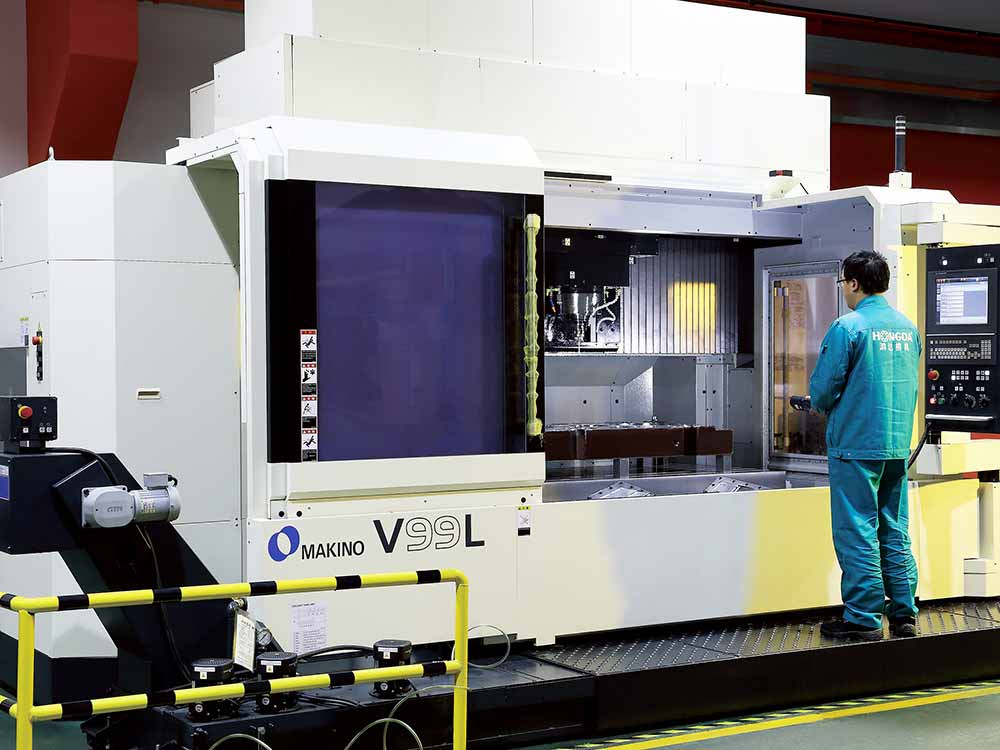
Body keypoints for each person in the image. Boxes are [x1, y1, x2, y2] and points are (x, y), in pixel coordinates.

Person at [809, 251, 920, 641]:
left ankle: (863, 617)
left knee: (857, 530)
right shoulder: (907, 328)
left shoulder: (848, 327)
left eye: (844, 283)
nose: (844, 290)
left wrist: (818, 404)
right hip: (896, 445)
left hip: (855, 446)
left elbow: (824, 389)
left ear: (854, 283)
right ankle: (904, 612)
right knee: (894, 528)